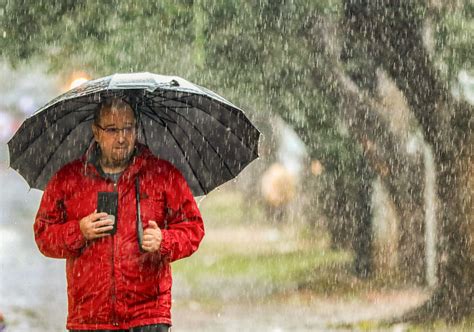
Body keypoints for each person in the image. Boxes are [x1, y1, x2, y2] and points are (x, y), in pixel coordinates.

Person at [34, 97, 205, 331]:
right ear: (96, 131)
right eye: (112, 129)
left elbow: (193, 227)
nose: (122, 138)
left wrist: (164, 240)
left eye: (128, 128)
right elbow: (44, 235)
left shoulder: (163, 174)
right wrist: (79, 231)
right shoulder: (68, 179)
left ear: (137, 129)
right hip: (90, 318)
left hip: (148, 316)